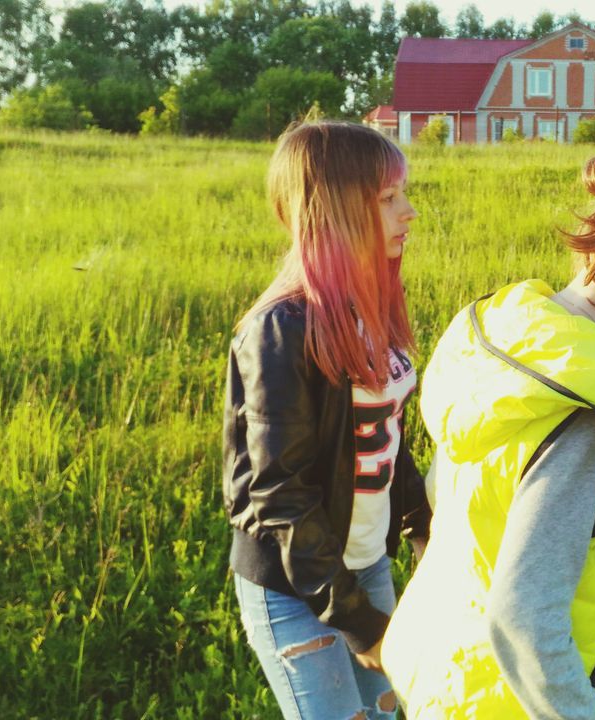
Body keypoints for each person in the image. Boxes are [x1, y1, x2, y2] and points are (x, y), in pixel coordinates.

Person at [382, 143, 595, 718]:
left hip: (453, 679)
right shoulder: (587, 405)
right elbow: (524, 621)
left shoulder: (509, 343)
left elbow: (444, 498)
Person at [222, 121, 432, 720]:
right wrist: (360, 623)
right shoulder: (280, 331)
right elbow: (278, 495)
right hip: (297, 586)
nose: (409, 212)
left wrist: (423, 527)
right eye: (389, 198)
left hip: (365, 566)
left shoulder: (367, 313)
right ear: (336, 211)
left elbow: (383, 437)